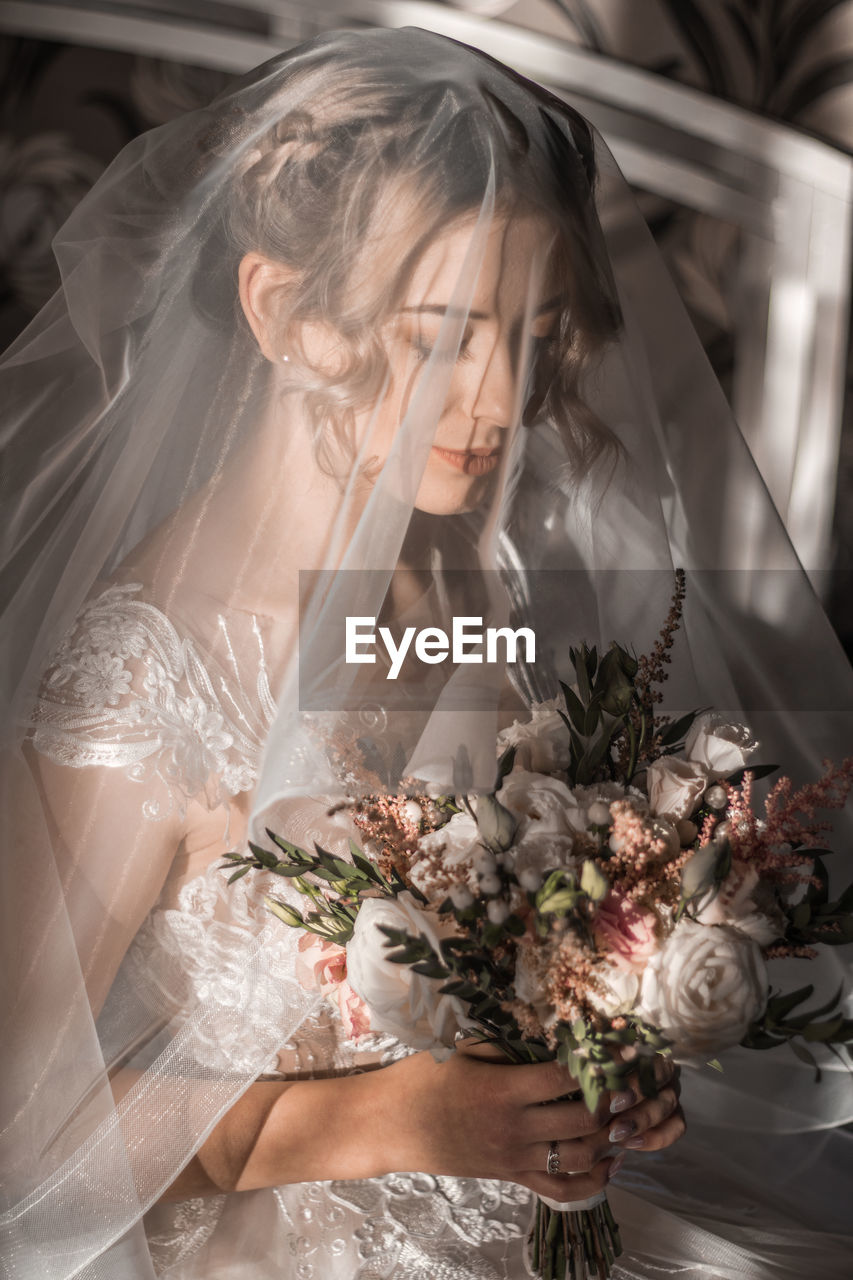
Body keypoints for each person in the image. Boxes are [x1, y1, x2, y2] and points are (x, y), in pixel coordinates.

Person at [0, 25, 851, 1280]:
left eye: (537, 332)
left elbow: (515, 927)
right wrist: (379, 1118)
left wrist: (604, 1050)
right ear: (285, 310)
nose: (504, 399)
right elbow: (24, 1129)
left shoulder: (473, 567)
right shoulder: (149, 671)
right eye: (445, 336)